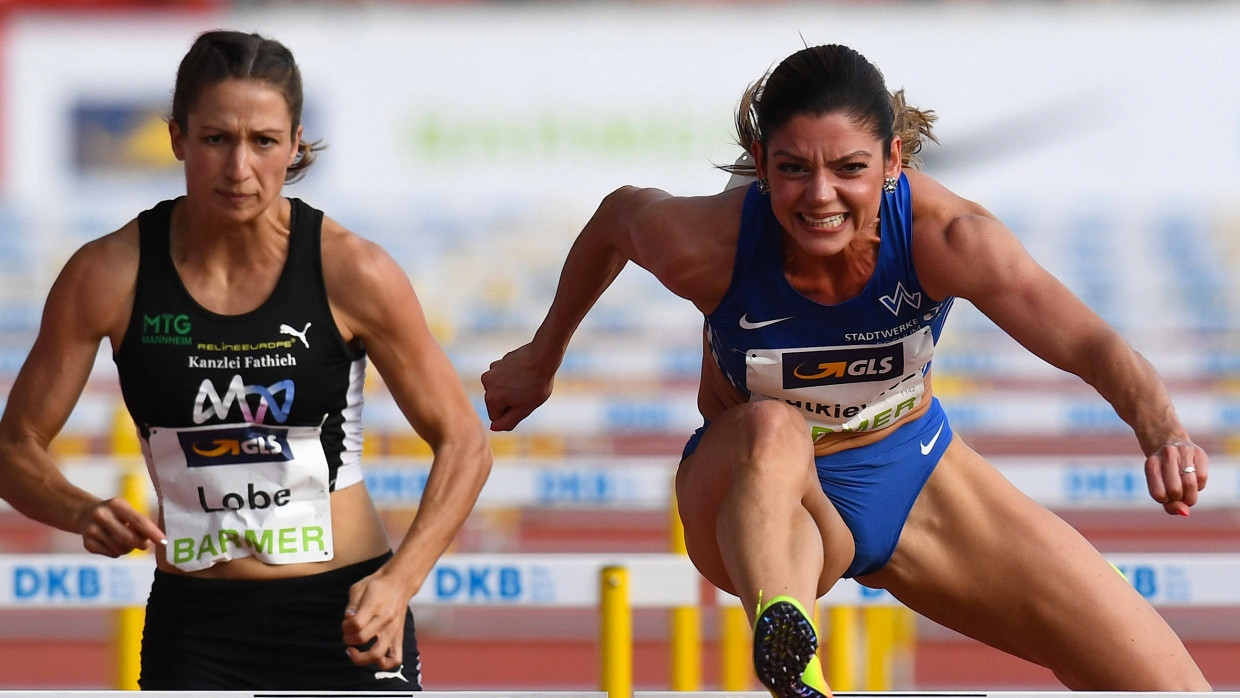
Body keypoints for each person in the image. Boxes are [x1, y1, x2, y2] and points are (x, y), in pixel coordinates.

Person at [482, 43, 1212, 695]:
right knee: (774, 428)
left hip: (914, 471)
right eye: (793, 170)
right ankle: (790, 654)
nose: (820, 196)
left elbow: (1091, 345)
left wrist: (1165, 431)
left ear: (894, 162)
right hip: (757, 496)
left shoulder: (948, 238)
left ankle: (791, 649)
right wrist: (541, 359)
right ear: (763, 164)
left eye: (850, 169)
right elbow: (617, 218)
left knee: (1165, 684)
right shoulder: (705, 244)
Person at [0, 30, 492, 690]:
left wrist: (399, 581)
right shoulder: (108, 274)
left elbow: (465, 441)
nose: (239, 169)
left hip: (345, 611)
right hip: (197, 623)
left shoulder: (353, 271)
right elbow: (15, 445)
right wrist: (78, 509)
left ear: (294, 145)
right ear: (177, 138)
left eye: (263, 141)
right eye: (215, 140)